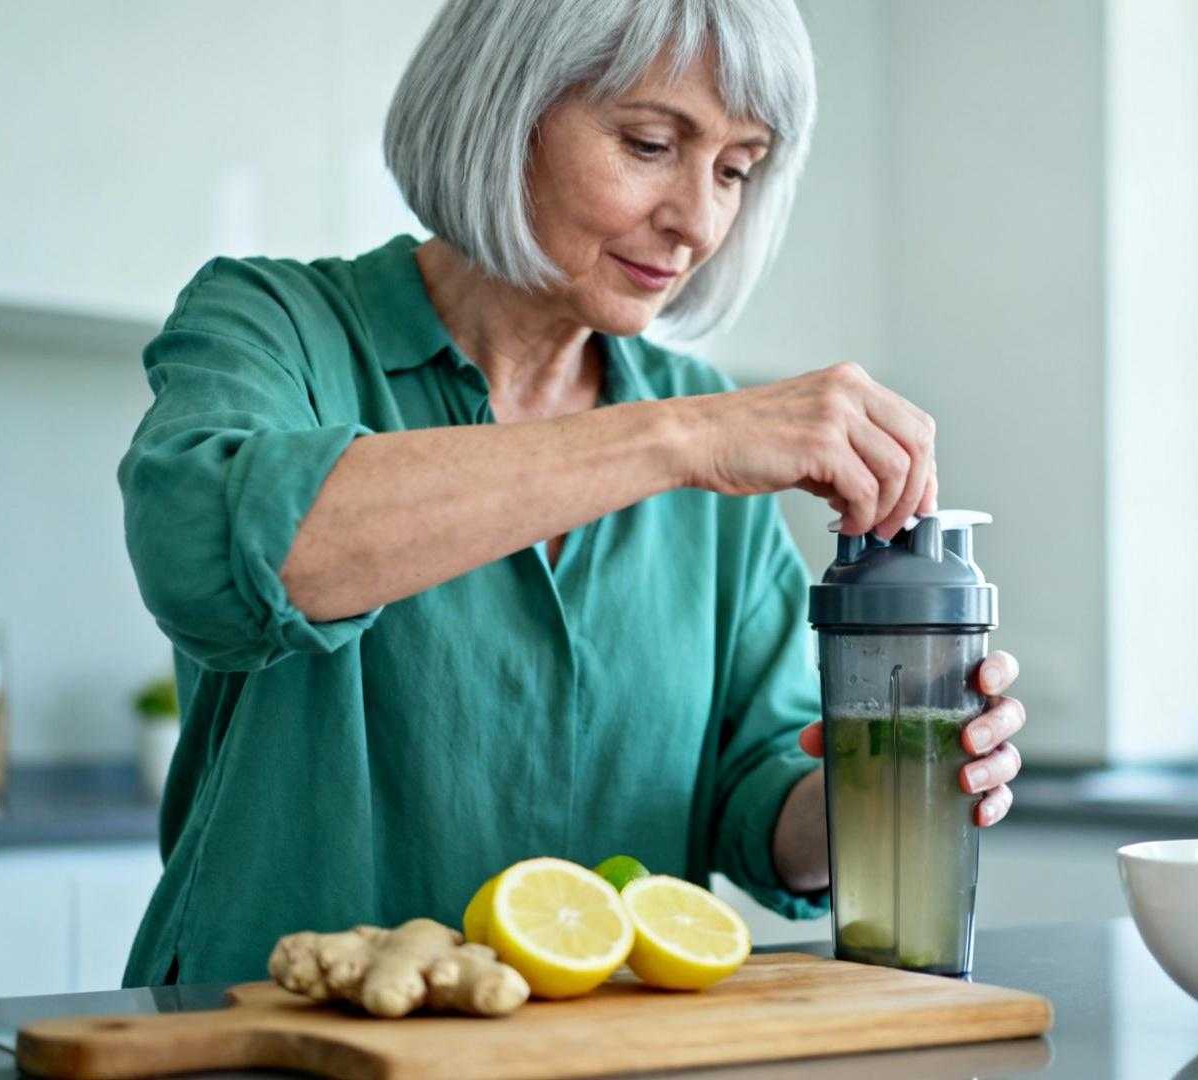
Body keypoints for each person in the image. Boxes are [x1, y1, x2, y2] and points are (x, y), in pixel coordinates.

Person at [116, 0, 1024, 985]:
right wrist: (676, 439)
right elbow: (230, 558)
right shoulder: (276, 325)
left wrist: (893, 775)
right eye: (647, 143)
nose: (699, 220)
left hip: (598, 1046)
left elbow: (759, 806)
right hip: (271, 1038)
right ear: (501, 112)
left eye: (735, 169)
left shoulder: (704, 429)